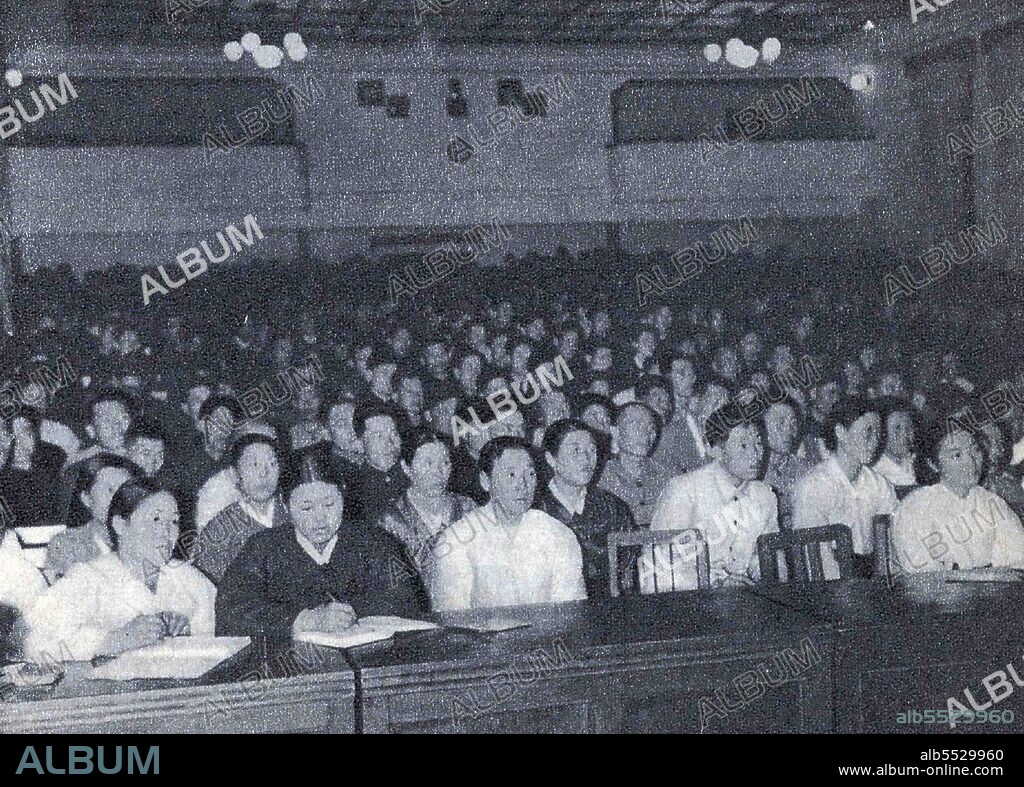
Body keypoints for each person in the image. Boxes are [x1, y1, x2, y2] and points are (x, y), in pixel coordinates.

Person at [216, 454, 427, 637]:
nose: (320, 518)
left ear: (343, 499)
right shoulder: (263, 549)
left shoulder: (376, 542)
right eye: (306, 508)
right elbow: (230, 611)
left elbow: (407, 600)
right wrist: (305, 620)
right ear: (286, 506)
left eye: (329, 504)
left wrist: (350, 612)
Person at [25, 479, 215, 662]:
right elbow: (34, 646)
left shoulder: (189, 579)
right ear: (120, 525)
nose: (167, 532)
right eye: (156, 519)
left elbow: (220, 641)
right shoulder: (88, 578)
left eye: (174, 521)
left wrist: (188, 634)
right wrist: (111, 641)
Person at [429, 436, 586, 611]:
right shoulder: (456, 540)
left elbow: (569, 613)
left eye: (530, 474)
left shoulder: (559, 535)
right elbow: (452, 617)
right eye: (511, 475)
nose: (523, 484)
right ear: (485, 481)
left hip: (547, 637)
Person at [645, 403, 778, 591]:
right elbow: (654, 573)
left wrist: (761, 570)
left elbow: (774, 561)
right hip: (691, 603)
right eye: (743, 445)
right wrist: (712, 582)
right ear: (715, 450)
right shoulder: (684, 491)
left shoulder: (764, 495)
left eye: (758, 443)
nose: (755, 454)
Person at [893, 422, 1024, 574]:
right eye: (957, 455)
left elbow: (1018, 558)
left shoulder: (992, 502)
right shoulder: (915, 507)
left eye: (975, 450)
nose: (971, 462)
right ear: (933, 464)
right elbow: (920, 573)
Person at [792, 397, 897, 579]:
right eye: (867, 432)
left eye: (878, 433)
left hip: (873, 581)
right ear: (841, 432)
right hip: (831, 586)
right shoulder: (814, 486)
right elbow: (815, 560)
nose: (875, 441)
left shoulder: (880, 485)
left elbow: (892, 546)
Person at [536, 419, 636, 597]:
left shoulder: (613, 507)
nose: (586, 458)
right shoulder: (536, 509)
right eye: (576, 450)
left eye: (592, 450)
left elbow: (629, 571)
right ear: (551, 458)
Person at [377, 427, 475, 582]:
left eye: (445, 462)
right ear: (406, 467)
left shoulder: (467, 507)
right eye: (428, 463)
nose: (437, 471)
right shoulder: (391, 520)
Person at [194, 434, 288, 584]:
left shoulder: (294, 513)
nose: (264, 473)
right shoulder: (218, 530)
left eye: (272, 464)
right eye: (254, 465)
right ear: (235, 473)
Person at [44, 453, 140, 582]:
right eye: (110, 490)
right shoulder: (67, 544)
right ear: (86, 499)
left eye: (124, 491)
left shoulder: (145, 542)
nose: (118, 500)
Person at [598, 402, 673, 527]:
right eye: (636, 424)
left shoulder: (668, 476)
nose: (645, 433)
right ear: (615, 432)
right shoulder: (601, 478)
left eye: (650, 427)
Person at [340, 399, 408, 523]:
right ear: (360, 444)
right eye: (378, 436)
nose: (389, 443)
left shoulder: (413, 475)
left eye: (393, 433)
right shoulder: (353, 492)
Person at [762, 398, 813, 522]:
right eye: (780, 423)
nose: (789, 431)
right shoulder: (752, 472)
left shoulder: (805, 470)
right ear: (761, 426)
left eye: (793, 424)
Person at [872, 397, 917, 494]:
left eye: (909, 427)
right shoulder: (876, 472)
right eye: (897, 428)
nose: (905, 435)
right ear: (882, 433)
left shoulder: (918, 463)